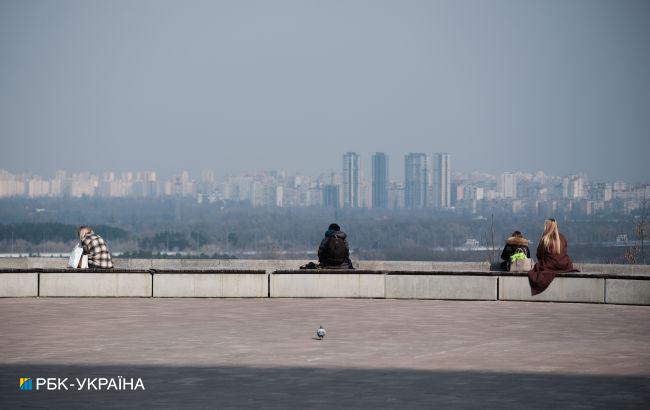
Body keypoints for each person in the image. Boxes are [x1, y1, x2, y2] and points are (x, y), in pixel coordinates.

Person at [528, 219, 578, 295]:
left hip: (549, 265)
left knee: (535, 270)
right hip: (564, 264)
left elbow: (539, 254)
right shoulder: (562, 237)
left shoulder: (545, 238)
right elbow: (564, 251)